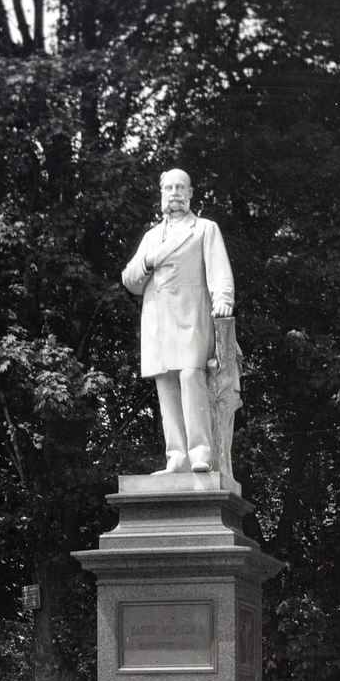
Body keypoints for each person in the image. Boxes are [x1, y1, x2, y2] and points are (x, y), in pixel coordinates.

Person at [121, 168, 234, 474]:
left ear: (190, 193)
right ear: (161, 193)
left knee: (190, 377)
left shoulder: (205, 229)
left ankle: (201, 453)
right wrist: (148, 260)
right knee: (166, 383)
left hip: (192, 314)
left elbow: (219, 271)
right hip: (158, 319)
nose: (174, 192)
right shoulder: (152, 237)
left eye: (180, 187)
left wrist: (223, 300)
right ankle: (177, 458)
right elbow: (130, 280)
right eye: (168, 187)